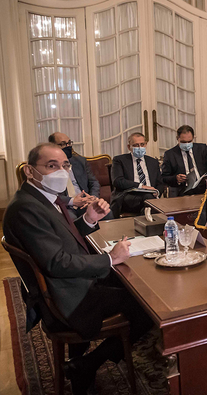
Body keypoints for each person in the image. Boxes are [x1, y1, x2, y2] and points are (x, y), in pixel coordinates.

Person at [3, 143, 153, 394]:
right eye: (51, 166)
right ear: (30, 171)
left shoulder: (43, 198)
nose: (60, 171)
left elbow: (62, 241)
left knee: (129, 282)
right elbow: (57, 262)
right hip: (66, 296)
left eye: (65, 165)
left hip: (68, 283)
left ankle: (83, 360)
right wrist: (109, 259)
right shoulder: (25, 207)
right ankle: (87, 364)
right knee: (146, 304)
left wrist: (88, 219)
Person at [48, 132, 113, 220]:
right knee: (71, 219)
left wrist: (92, 197)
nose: (68, 146)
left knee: (105, 212)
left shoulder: (80, 161)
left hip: (85, 203)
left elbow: (94, 182)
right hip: (66, 206)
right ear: (53, 147)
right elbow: (49, 193)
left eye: (69, 143)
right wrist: (72, 201)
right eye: (63, 144)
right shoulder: (48, 167)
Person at [110, 133, 164, 217]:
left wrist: (157, 192)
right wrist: (141, 186)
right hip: (129, 196)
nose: (140, 147)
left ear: (146, 144)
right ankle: (150, 221)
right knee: (149, 200)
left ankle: (146, 219)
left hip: (150, 196)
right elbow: (117, 181)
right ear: (129, 147)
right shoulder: (119, 160)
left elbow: (160, 183)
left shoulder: (152, 162)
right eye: (136, 145)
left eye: (142, 144)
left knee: (148, 201)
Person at [161, 125, 207, 196]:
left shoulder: (202, 149)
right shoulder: (170, 154)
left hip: (203, 187)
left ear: (193, 138)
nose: (187, 144)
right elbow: (164, 177)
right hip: (182, 189)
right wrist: (176, 178)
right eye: (183, 142)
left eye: (189, 141)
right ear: (177, 139)